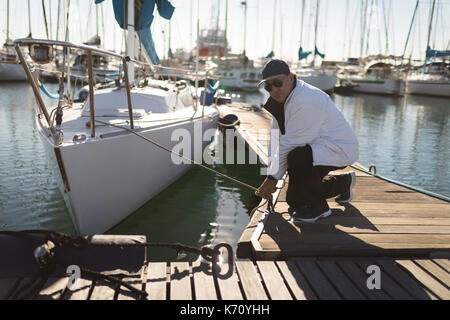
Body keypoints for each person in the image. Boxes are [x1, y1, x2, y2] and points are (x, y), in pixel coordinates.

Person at [255, 59, 359, 223]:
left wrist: (272, 179)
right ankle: (342, 183)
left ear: (291, 77)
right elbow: (275, 139)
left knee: (296, 157)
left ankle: (319, 208)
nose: (274, 89)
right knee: (295, 201)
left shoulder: (306, 100)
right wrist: (270, 173)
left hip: (339, 149)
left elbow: (290, 145)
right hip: (315, 148)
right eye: (268, 86)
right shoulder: (282, 99)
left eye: (278, 82)